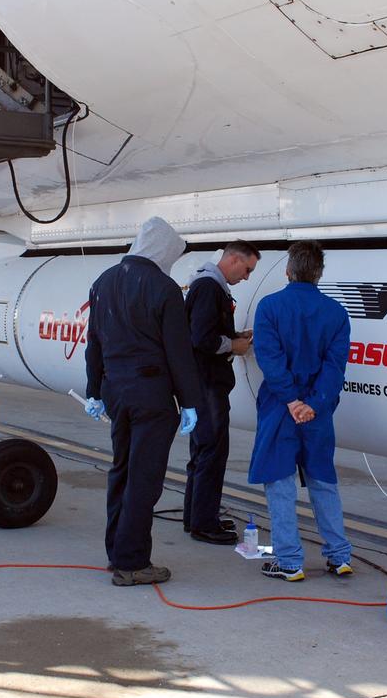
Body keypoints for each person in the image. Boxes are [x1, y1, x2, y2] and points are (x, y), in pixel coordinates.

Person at [84, 216, 202, 586]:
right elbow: (178, 353)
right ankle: (133, 562)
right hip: (151, 395)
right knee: (144, 479)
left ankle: (116, 552)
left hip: (116, 392)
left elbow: (95, 344)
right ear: (163, 250)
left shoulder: (103, 281)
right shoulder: (164, 288)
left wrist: (93, 390)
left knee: (121, 469)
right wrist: (191, 401)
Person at [247, 240, 354, 581]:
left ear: (288, 271)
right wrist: (314, 403)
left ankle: (289, 561)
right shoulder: (336, 312)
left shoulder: (269, 307)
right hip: (317, 412)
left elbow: (270, 359)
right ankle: (339, 556)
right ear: (319, 273)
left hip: (281, 409)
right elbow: (335, 367)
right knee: (323, 480)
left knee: (280, 483)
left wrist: (291, 400)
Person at [182, 240, 260, 545]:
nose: (247, 277)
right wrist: (233, 345)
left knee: (202, 451)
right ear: (233, 259)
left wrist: (233, 336)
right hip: (208, 383)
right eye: (248, 269)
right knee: (212, 452)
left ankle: (196, 517)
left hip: (202, 382)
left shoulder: (206, 285)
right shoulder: (209, 288)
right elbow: (200, 338)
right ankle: (204, 523)